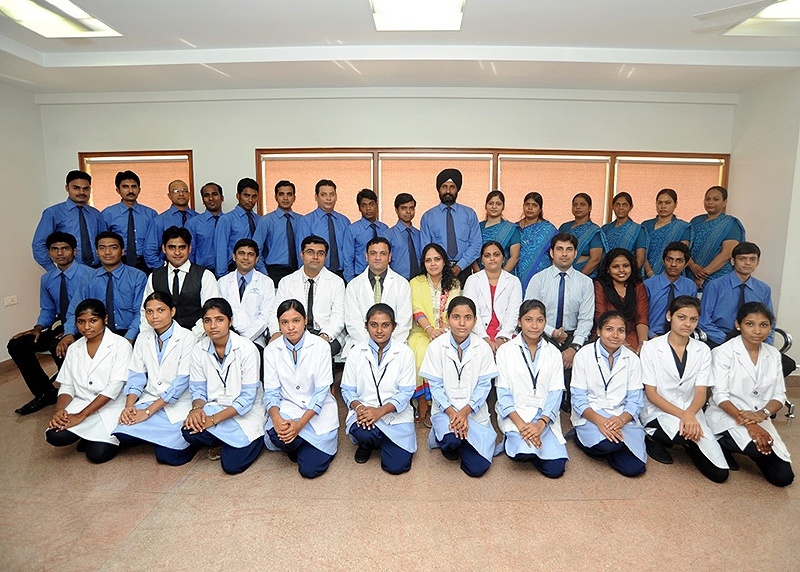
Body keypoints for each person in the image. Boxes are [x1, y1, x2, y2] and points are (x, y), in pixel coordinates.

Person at [639, 296, 729, 482]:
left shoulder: (703, 350)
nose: (687, 324)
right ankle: (652, 436)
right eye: (681, 317)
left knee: (720, 474)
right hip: (659, 410)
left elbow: (701, 392)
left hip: (691, 411)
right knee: (685, 435)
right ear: (669, 316)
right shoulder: (651, 348)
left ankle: (689, 443)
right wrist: (684, 415)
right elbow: (651, 394)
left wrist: (689, 414)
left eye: (693, 319)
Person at [706, 302, 794, 487]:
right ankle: (721, 442)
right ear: (738, 325)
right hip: (728, 414)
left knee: (783, 477)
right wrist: (751, 425)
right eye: (750, 324)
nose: (757, 331)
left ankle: (756, 447)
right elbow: (720, 396)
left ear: (770, 328)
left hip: (759, 417)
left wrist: (762, 415)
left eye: (763, 325)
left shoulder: (773, 354)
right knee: (755, 448)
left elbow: (779, 395)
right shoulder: (723, 352)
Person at [8, 232, 92, 414]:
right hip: (62, 326)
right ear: (49, 253)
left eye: (65, 248)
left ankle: (76, 395)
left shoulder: (89, 275)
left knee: (58, 346)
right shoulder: (47, 279)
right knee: (17, 345)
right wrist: (38, 327)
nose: (60, 253)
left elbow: (95, 309)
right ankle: (45, 392)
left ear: (74, 251)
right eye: (55, 249)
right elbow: (48, 309)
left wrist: (71, 331)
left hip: (87, 326)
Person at [113, 292, 198, 466]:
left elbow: (181, 383)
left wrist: (147, 412)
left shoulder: (187, 338)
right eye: (149, 312)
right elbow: (136, 374)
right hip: (151, 397)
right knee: (122, 433)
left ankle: (183, 441)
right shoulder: (143, 337)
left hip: (177, 403)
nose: (154, 316)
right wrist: (129, 407)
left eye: (161, 310)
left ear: (172, 311)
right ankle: (156, 435)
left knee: (167, 457)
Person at [182, 298, 265, 474]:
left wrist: (212, 420)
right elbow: (198, 389)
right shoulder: (199, 349)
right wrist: (196, 409)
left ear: (230, 321)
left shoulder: (247, 349)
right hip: (216, 406)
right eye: (207, 320)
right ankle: (223, 440)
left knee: (232, 466)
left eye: (219, 319)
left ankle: (250, 441)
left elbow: (247, 399)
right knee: (188, 430)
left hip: (245, 413)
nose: (213, 326)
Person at [419, 296, 499, 477]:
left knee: (477, 469)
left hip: (473, 412)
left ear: (475, 321)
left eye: (467, 318)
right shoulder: (436, 346)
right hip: (446, 412)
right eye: (456, 317)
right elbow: (435, 386)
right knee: (451, 441)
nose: (462, 323)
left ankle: (462, 441)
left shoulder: (483, 348)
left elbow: (484, 386)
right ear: (447, 318)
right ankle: (451, 439)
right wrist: (453, 413)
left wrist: (464, 412)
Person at [45, 299, 132, 464]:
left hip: (110, 406)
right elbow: (67, 385)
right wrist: (59, 411)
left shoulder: (121, 345)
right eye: (81, 322)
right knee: (54, 435)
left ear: (105, 319)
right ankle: (86, 435)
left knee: (97, 455)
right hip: (82, 402)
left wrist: (81, 416)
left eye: (93, 321)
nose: (86, 327)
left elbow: (114, 388)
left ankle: (99, 437)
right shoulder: (74, 348)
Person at [263, 300, 339, 478]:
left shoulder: (321, 346)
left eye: (296, 321)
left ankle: (304, 446)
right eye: (284, 322)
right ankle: (304, 445)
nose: (290, 327)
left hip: (317, 411)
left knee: (310, 470)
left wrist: (299, 425)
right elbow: (271, 392)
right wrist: (277, 418)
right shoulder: (271, 350)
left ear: (305, 320)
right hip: (288, 407)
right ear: (279, 324)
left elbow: (321, 393)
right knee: (275, 433)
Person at [495, 299, 568, 478]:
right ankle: (523, 442)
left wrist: (540, 424)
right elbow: (503, 394)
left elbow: (556, 392)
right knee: (522, 453)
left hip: (544, 416)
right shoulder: (505, 351)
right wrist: (522, 426)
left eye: (539, 320)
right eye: (528, 320)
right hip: (516, 414)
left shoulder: (554, 353)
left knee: (556, 470)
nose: (534, 326)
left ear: (545, 322)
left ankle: (536, 442)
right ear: (519, 322)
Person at [340, 303, 417, 474]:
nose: (379, 330)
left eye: (385, 325)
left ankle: (384, 440)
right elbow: (347, 389)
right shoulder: (356, 352)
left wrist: (379, 412)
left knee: (396, 467)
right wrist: (360, 408)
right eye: (374, 325)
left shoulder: (405, 353)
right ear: (366, 326)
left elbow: (406, 393)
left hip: (395, 416)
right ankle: (367, 444)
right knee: (363, 431)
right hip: (364, 413)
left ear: (394, 327)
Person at [570, 310, 646, 477]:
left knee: (635, 468)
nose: (615, 335)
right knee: (608, 445)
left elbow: (635, 400)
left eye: (621, 330)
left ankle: (613, 443)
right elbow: (578, 398)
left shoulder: (632, 359)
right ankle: (583, 438)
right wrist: (601, 421)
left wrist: (620, 420)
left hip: (621, 416)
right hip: (592, 414)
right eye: (609, 329)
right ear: (599, 331)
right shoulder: (584, 355)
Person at [525, 232, 595, 412]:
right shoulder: (538, 279)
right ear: (551, 252)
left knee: (583, 355)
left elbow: (586, 319)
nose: (564, 254)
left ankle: (570, 402)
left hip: (573, 336)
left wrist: (574, 347)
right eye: (560, 249)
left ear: (575, 253)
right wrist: (552, 332)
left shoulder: (585, 283)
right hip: (542, 333)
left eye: (569, 249)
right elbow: (528, 314)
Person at [58, 231, 147, 357]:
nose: (107, 252)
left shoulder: (137, 277)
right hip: (96, 332)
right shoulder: (88, 278)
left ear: (122, 251)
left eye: (113, 247)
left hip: (127, 330)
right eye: (102, 248)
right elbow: (74, 310)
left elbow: (141, 312)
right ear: (97, 252)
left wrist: (129, 339)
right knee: (62, 347)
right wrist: (69, 333)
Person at [407, 243, 461, 428]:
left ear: (444, 261)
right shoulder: (416, 282)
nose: (433, 264)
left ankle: (439, 404)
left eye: (437, 259)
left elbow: (453, 309)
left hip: (447, 331)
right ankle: (424, 402)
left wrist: (442, 330)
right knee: (422, 352)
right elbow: (416, 309)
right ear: (423, 263)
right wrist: (430, 330)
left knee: (444, 352)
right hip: (421, 331)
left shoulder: (453, 283)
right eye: (428, 260)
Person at [269, 236, 346, 356]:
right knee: (281, 351)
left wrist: (325, 335)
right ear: (302, 254)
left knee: (319, 353)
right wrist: (276, 332)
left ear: (325, 257)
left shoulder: (337, 282)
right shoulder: (287, 281)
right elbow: (275, 312)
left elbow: (339, 315)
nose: (315, 257)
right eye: (310, 252)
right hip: (293, 331)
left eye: (320, 253)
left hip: (324, 332)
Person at [141, 226, 220, 337]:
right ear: (164, 249)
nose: (177, 252)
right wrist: (147, 337)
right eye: (172, 248)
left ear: (190, 248)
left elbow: (211, 312)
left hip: (198, 338)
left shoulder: (205, 275)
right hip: (162, 339)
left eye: (182, 247)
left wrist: (190, 337)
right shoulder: (154, 276)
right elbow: (145, 311)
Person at [343, 237, 412, 357]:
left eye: (383, 253)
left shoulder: (402, 284)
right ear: (366, 256)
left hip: (395, 343)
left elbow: (404, 321)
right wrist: (371, 346)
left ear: (389, 257)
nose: (378, 257)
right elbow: (352, 322)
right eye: (373, 253)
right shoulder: (353, 285)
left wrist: (387, 345)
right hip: (361, 343)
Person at [699, 242, 774, 347]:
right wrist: (728, 341)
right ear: (733, 261)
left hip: (752, 341)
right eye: (742, 259)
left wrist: (766, 344)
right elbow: (704, 320)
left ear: (758, 262)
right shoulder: (715, 286)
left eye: (752, 259)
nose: (747, 263)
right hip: (720, 339)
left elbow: (769, 321)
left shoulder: (763, 289)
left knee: (782, 358)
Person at [420, 168, 482, 287]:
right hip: (437, 270)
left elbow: (476, 244)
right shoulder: (428, 217)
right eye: (444, 187)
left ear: (457, 189)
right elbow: (426, 248)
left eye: (452, 187)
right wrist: (440, 266)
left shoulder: (469, 214)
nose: (448, 191)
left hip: (464, 269)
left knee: (464, 298)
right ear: (438, 189)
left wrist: (460, 265)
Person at [32, 170, 101, 269]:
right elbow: (39, 244)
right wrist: (54, 271)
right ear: (67, 188)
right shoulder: (53, 213)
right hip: (69, 270)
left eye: (86, 188)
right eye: (76, 188)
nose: (82, 192)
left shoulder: (96, 214)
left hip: (97, 270)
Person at [463, 241, 523, 354]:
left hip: (506, 335)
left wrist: (502, 338)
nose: (492, 258)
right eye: (487, 255)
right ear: (482, 260)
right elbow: (471, 313)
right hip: (477, 334)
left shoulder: (513, 281)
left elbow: (514, 313)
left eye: (496, 255)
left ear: (503, 259)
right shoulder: (472, 280)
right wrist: (484, 339)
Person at [217, 238, 275, 349]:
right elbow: (219, 314)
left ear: (256, 259)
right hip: (226, 339)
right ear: (234, 257)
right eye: (241, 253)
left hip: (254, 340)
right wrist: (231, 337)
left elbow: (265, 316)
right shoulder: (222, 282)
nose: (245, 258)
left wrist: (243, 339)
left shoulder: (266, 282)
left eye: (250, 254)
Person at [687, 185, 745, 289]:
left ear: (724, 202)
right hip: (691, 273)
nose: (710, 202)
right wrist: (692, 266)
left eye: (716, 199)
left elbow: (726, 254)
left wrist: (703, 274)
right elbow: (686, 247)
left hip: (718, 276)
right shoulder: (695, 221)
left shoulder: (730, 224)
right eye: (707, 199)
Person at [593, 248, 649, 353]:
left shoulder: (638, 286)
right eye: (615, 267)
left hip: (633, 334)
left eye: (626, 266)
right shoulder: (599, 286)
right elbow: (601, 316)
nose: (621, 270)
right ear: (608, 269)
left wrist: (643, 345)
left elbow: (642, 317)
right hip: (608, 334)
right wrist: (623, 345)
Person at [101, 170, 157, 273]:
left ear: (139, 189)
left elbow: (156, 241)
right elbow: (102, 241)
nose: (130, 190)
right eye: (125, 187)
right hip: (118, 262)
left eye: (134, 187)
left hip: (146, 263)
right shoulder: (108, 214)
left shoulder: (151, 214)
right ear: (118, 190)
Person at [252, 180, 306, 286]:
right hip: (275, 271)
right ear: (276, 197)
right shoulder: (266, 221)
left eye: (289, 194)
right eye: (281, 194)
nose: (285, 198)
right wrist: (265, 274)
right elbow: (256, 249)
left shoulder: (302, 220)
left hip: (299, 271)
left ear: (294, 197)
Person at [643, 242, 698, 339]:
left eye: (679, 261)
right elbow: (639, 317)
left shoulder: (690, 286)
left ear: (686, 264)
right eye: (669, 259)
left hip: (680, 337)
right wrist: (652, 336)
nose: (673, 264)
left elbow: (692, 315)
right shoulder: (648, 285)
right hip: (652, 336)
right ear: (663, 261)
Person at [143, 180, 197, 271]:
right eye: (176, 191)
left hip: (195, 271)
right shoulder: (159, 221)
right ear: (169, 195)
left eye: (184, 191)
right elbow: (150, 251)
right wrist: (164, 269)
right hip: (169, 271)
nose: (181, 194)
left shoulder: (198, 219)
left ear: (189, 194)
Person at [303, 179, 350, 278]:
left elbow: (348, 251)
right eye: (323, 195)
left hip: (342, 273)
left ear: (336, 196)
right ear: (316, 197)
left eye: (332, 194)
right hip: (316, 273)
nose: (328, 198)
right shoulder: (306, 221)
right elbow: (303, 252)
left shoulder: (345, 221)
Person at [213, 178, 261, 275]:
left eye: (254, 196)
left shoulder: (260, 220)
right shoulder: (227, 219)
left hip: (257, 269)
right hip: (234, 268)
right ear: (238, 196)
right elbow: (221, 250)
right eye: (246, 195)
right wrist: (222, 276)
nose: (250, 200)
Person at [641, 188, 691, 278]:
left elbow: (681, 255)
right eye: (660, 203)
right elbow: (641, 253)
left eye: (667, 203)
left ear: (675, 204)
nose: (663, 206)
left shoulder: (682, 228)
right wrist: (650, 274)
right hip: (646, 275)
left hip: (673, 276)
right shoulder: (646, 225)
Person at [343, 189, 389, 282]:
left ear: (376, 205)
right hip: (360, 276)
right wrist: (351, 281)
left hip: (383, 276)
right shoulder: (352, 229)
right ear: (359, 208)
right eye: (364, 205)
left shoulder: (384, 228)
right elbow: (348, 257)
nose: (368, 208)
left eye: (371, 204)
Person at [515, 192, 557, 292]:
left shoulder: (548, 229)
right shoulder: (514, 228)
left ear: (540, 209)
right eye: (527, 204)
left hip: (541, 277)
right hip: (517, 275)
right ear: (523, 206)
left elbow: (555, 254)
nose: (530, 208)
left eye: (534, 205)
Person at [558, 192, 607, 277]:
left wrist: (578, 278)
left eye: (582, 204)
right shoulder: (564, 227)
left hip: (584, 276)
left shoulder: (594, 231)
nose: (578, 207)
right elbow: (556, 251)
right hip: (561, 273)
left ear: (590, 208)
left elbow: (595, 259)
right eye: (575, 204)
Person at [474, 190, 521, 274]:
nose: (494, 207)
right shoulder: (477, 227)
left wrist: (500, 277)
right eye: (491, 203)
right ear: (485, 206)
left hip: (505, 276)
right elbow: (472, 253)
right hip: (480, 276)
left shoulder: (511, 229)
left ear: (503, 207)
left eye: (498, 204)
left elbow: (514, 257)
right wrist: (481, 276)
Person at [601, 192, 647, 271]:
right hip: (606, 272)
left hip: (627, 273)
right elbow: (600, 255)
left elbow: (640, 260)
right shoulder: (605, 229)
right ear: (613, 207)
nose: (621, 208)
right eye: (617, 204)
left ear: (631, 207)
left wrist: (627, 274)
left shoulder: (638, 230)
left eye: (625, 205)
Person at [186, 182, 224, 275]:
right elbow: (189, 252)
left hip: (228, 273)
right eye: (206, 195)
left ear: (222, 198)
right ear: (203, 200)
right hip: (202, 272)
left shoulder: (230, 221)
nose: (211, 198)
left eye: (214, 194)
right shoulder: (193, 223)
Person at [385, 193, 422, 281]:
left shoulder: (419, 234)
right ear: (396, 210)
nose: (408, 212)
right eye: (404, 208)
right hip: (396, 282)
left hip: (419, 281)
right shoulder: (388, 235)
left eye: (411, 208)